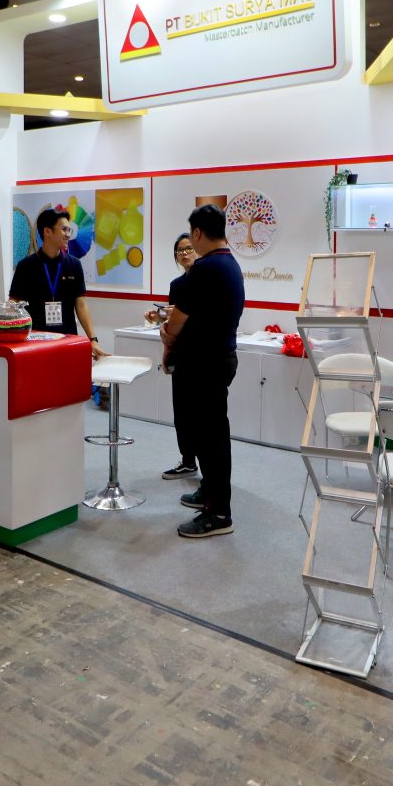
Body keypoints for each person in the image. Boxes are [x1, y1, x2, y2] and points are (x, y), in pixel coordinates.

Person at [160, 205, 245, 539]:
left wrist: (167, 333)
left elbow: (177, 321)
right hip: (218, 359)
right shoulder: (230, 264)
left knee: (211, 441)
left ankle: (219, 513)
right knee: (210, 435)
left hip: (205, 365)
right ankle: (209, 492)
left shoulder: (205, 268)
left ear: (197, 233)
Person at [8, 208, 107, 359]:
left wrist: (92, 340)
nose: (68, 234)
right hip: (34, 343)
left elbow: (81, 305)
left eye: (69, 230)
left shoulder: (74, 265)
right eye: (64, 229)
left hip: (67, 340)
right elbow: (13, 304)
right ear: (47, 232)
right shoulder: (26, 266)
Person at [146, 233, 201, 479]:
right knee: (182, 410)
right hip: (180, 352)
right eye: (180, 251)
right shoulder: (177, 285)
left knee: (201, 414)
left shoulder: (206, 281)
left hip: (202, 354)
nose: (185, 254)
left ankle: (206, 467)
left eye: (189, 248)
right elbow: (173, 321)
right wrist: (158, 317)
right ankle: (188, 460)